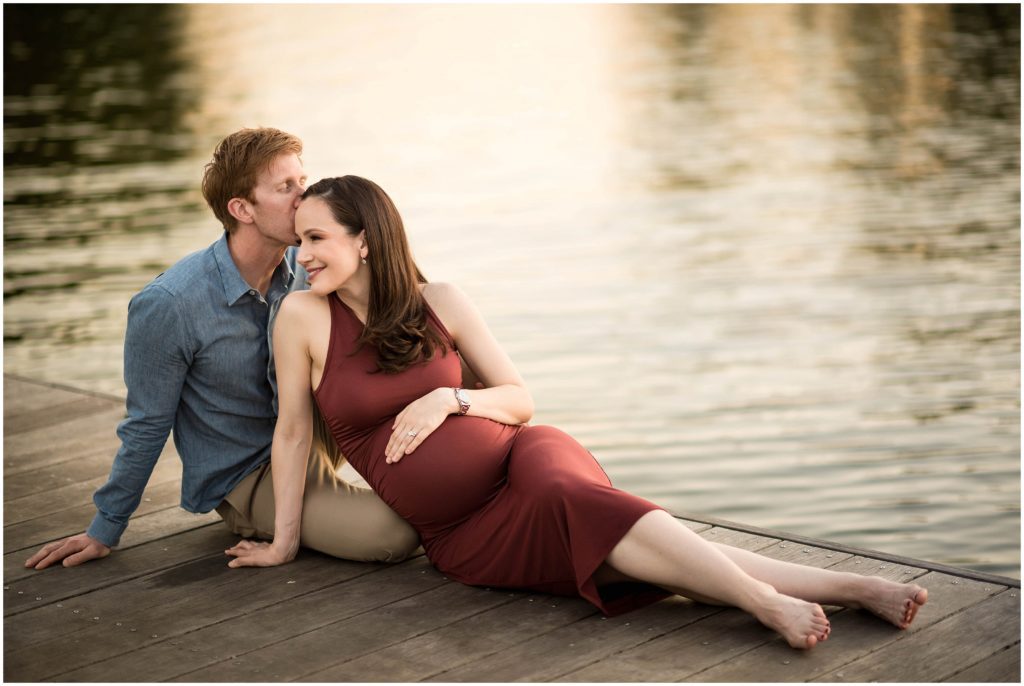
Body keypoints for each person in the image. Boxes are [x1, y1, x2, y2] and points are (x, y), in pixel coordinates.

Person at [223, 175, 929, 650]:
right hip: (464, 531)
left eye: (317, 238)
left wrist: (450, 397)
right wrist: (284, 542)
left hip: (524, 458)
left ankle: (764, 602)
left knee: (577, 499)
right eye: (301, 238)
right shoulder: (304, 318)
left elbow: (521, 402)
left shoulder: (441, 299)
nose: (302, 254)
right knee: (626, 548)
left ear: (365, 239)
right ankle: (848, 586)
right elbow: (291, 432)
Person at [24, 129, 423, 572]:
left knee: (442, 362)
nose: (303, 196)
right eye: (285, 187)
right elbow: (146, 425)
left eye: (302, 180)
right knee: (395, 535)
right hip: (249, 475)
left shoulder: (307, 265)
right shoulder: (170, 305)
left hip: (317, 430)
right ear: (241, 209)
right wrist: (105, 528)